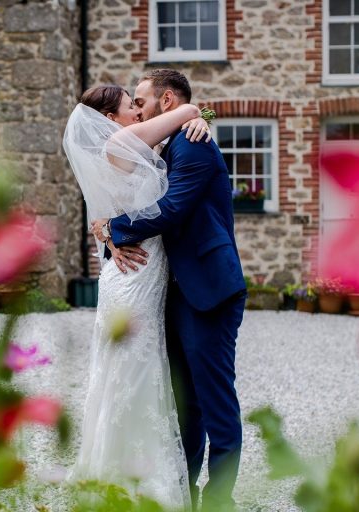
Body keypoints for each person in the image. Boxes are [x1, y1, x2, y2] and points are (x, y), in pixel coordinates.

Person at [91, 69, 246, 511]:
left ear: (167, 101)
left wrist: (114, 229)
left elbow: (173, 208)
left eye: (141, 101)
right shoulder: (165, 141)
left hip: (208, 289)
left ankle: (219, 502)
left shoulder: (193, 142)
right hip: (170, 292)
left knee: (215, 403)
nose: (137, 110)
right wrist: (105, 231)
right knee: (185, 405)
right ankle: (183, 494)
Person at [63, 83, 211, 510]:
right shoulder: (119, 143)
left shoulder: (128, 147)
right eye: (132, 106)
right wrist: (197, 115)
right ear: (111, 119)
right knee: (133, 367)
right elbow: (187, 111)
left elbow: (104, 215)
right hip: (135, 277)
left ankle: (125, 467)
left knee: (136, 367)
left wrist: (107, 232)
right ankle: (132, 477)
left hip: (136, 270)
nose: (139, 112)